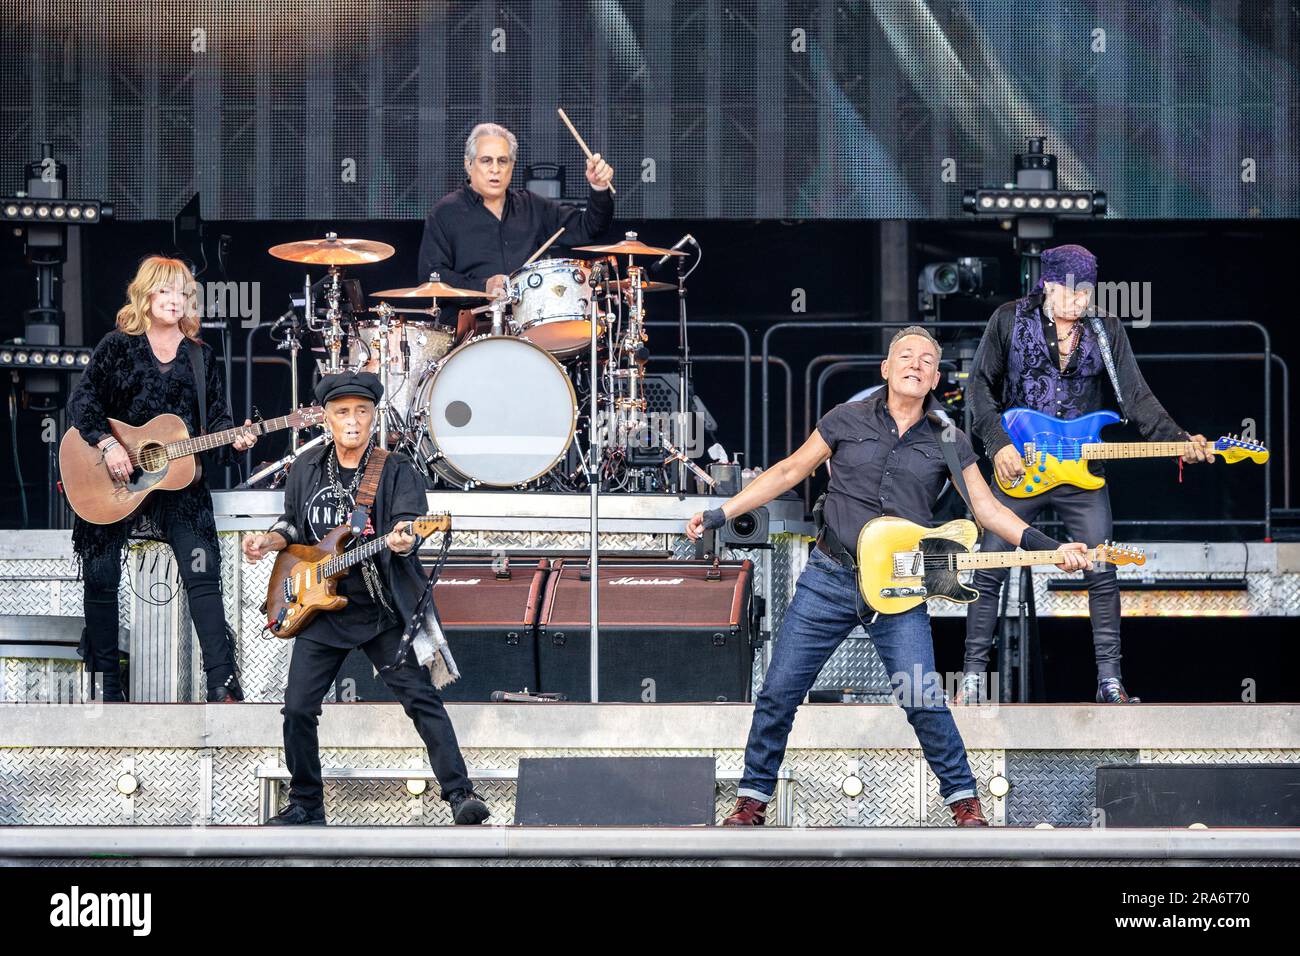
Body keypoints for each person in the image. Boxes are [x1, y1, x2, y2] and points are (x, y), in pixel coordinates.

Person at [688, 327, 1094, 827]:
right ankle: (751, 800)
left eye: (927, 360)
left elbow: (988, 510)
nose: (915, 364)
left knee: (923, 698)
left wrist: (1052, 549)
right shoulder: (846, 418)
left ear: (935, 379)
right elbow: (789, 472)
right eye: (905, 355)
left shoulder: (950, 439)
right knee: (779, 691)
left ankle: (965, 803)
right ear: (885, 368)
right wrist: (718, 513)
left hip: (900, 586)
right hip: (829, 577)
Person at [961, 244, 1212, 705]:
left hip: (1083, 472)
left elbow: (1136, 397)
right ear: (1048, 284)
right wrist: (997, 446)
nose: (1078, 302)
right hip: (1021, 466)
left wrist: (1178, 439)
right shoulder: (1008, 320)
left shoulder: (1105, 328)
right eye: (1069, 293)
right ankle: (974, 678)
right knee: (988, 566)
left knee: (1101, 568)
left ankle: (1109, 681)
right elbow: (979, 388)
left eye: (1086, 294)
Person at [241, 370, 488, 826]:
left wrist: (404, 540)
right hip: (318, 608)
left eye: (361, 411)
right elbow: (295, 525)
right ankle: (306, 805)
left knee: (421, 699)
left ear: (374, 417)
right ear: (326, 419)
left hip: (379, 608)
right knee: (297, 708)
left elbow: (409, 528)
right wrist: (270, 542)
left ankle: (460, 795)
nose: (352, 420)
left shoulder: (396, 470)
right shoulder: (307, 467)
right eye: (341, 412)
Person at [67, 255, 256, 702]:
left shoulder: (201, 356)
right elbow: (82, 404)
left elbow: (217, 426)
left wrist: (239, 440)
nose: (176, 300)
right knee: (100, 570)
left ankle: (222, 684)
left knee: (202, 568)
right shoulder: (118, 346)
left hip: (176, 486)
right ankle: (107, 686)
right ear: (147, 295)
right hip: (112, 478)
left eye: (183, 292)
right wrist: (109, 445)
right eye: (166, 291)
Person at [416, 121, 615, 297]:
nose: (495, 169)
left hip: (525, 325)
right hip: (471, 326)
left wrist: (599, 188)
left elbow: (589, 228)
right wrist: (483, 286)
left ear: (512, 166)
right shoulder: (445, 213)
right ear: (468, 164)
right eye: (486, 160)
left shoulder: (532, 206)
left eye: (502, 161)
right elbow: (431, 276)